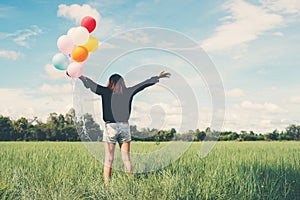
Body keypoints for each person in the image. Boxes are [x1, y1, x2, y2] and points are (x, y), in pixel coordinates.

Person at [77, 71, 171, 184]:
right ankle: (129, 184)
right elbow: (143, 84)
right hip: (125, 127)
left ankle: (107, 185)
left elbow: (91, 85)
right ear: (122, 83)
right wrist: (157, 77)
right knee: (126, 159)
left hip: (111, 127)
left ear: (110, 82)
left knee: (109, 159)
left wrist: (81, 76)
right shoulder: (128, 92)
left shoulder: (105, 92)